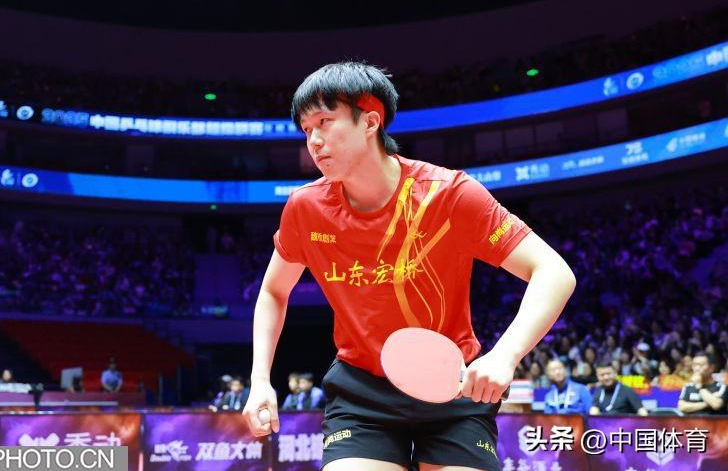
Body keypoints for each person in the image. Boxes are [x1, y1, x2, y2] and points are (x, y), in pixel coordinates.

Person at [242, 62, 577, 471]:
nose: (314, 140)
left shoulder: (449, 195)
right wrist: (260, 380)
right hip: (362, 393)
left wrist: (505, 356)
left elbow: (553, 271)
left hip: (452, 389)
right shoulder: (306, 208)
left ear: (370, 121)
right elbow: (273, 291)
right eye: (306, 129)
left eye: (325, 122)